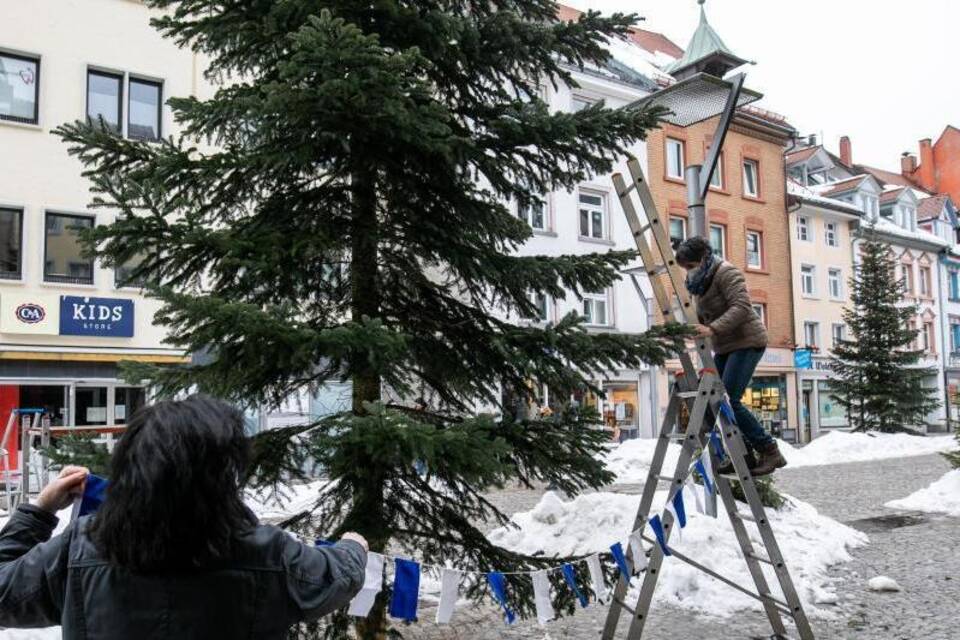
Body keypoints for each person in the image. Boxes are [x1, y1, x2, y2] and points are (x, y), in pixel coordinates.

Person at [0, 395, 368, 638]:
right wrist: (354, 546)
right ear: (225, 474)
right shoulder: (270, 554)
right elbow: (338, 577)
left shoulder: (79, 548)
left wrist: (38, 512)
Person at [675, 237, 787, 476]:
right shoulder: (697, 283)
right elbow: (704, 316)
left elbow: (742, 306)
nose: (688, 271)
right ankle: (742, 455)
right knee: (713, 400)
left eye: (691, 265)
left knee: (729, 401)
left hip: (747, 341)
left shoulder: (727, 273)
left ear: (704, 258)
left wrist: (712, 328)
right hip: (725, 346)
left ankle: (770, 450)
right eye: (685, 267)